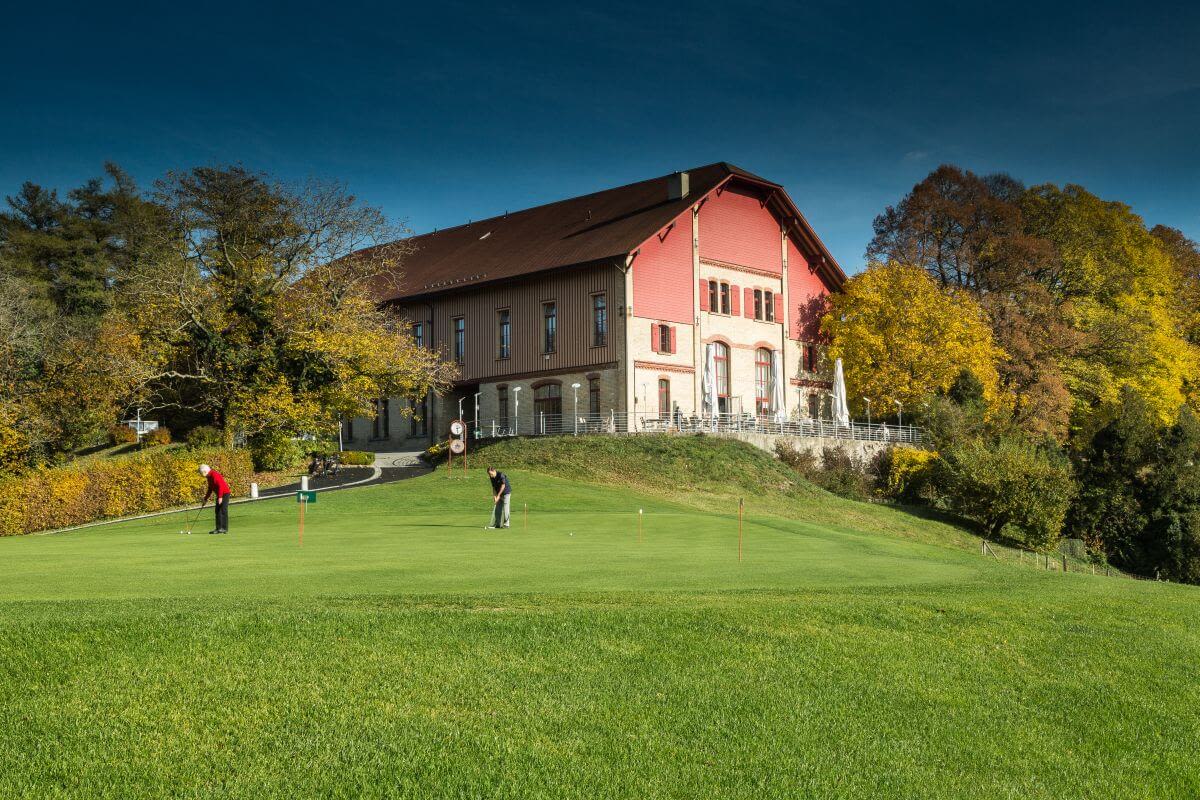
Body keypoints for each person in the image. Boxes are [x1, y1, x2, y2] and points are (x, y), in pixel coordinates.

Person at [199, 464, 232, 534]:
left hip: (225, 493)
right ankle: (218, 528)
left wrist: (220, 497)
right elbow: (210, 489)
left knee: (223, 510)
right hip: (220, 494)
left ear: (205, 471)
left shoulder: (214, 475)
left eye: (201, 473)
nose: (201, 474)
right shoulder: (209, 477)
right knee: (217, 511)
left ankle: (224, 528)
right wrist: (205, 499)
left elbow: (220, 486)